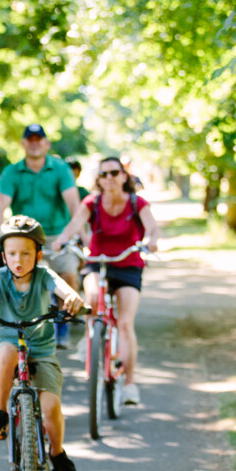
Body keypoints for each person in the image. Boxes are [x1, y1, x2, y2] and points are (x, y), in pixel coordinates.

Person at [0, 215, 86, 471]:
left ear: (38, 255)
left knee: (51, 408)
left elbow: (61, 288)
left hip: (40, 347)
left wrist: (71, 297)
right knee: (7, 352)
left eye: (26, 253)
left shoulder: (43, 276)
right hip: (6, 341)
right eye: (12, 253)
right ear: (3, 256)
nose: (19, 259)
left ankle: (57, 452)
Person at [52, 156, 160, 406]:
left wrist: (152, 240)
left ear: (124, 176)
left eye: (114, 173)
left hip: (128, 264)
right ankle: (91, 335)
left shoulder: (136, 202)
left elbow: (152, 228)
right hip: (98, 261)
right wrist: (62, 240)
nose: (109, 178)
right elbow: (74, 225)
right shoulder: (92, 202)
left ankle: (130, 384)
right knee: (90, 298)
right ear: (98, 179)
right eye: (104, 174)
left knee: (124, 323)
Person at [0, 123, 81, 346]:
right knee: (19, 279)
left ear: (46, 143)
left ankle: (63, 326)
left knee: (68, 275)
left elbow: (73, 205)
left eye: (38, 139)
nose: (34, 144)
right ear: (23, 144)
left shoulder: (60, 168)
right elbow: (0, 207)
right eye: (29, 140)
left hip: (56, 235)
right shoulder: (12, 171)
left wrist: (69, 236)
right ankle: (19, 327)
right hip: (24, 235)